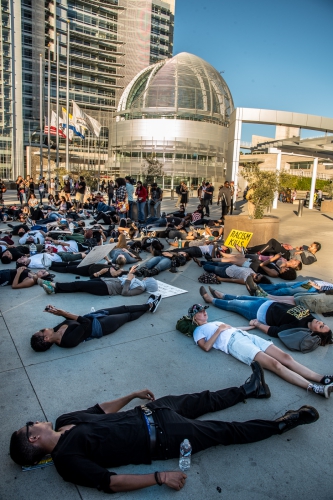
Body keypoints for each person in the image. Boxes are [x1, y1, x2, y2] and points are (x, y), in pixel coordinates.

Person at [9, 376, 321, 493]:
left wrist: (131, 395)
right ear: (33, 439)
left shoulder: (64, 420)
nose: (33, 421)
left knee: (202, 399)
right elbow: (110, 482)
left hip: (152, 411)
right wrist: (159, 478)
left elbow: (100, 409)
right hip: (167, 438)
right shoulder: (66, 460)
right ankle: (283, 424)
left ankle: (249, 389)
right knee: (227, 432)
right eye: (29, 426)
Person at [190, 301, 333, 398]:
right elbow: (206, 347)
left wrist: (253, 326)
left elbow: (233, 329)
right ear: (194, 318)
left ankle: (322, 378)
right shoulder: (198, 330)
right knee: (275, 364)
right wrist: (219, 330)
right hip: (233, 344)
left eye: (204, 310)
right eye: (200, 312)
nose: (204, 312)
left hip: (245, 335)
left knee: (286, 358)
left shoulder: (215, 322)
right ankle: (313, 388)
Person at [198, 288, 332, 347]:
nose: (320, 322)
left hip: (260, 312)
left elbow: (276, 331)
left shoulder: (298, 328)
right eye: (323, 323)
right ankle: (221, 295)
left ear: (314, 333)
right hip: (268, 303)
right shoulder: (310, 317)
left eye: (320, 326)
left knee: (233, 304)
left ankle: (211, 300)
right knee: (241, 297)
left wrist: (257, 324)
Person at [30, 299, 162, 351]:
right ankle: (149, 307)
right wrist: (64, 313)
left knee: (123, 307)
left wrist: (56, 311)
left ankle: (147, 305)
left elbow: (70, 319)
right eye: (42, 331)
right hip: (102, 326)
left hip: (94, 316)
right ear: (46, 338)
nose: (45, 328)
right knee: (127, 316)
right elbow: (85, 323)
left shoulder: (55, 330)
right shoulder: (68, 341)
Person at [38, 266, 159, 297]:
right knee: (80, 286)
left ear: (149, 283)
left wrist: (128, 280)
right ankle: (54, 289)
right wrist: (130, 272)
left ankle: (54, 285)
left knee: (79, 284)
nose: (146, 277)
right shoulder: (138, 282)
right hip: (106, 281)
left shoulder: (141, 288)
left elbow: (125, 293)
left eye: (149, 279)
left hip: (107, 289)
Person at [244, 239, 321, 266]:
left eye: (312, 246)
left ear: (315, 250)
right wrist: (295, 248)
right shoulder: (306, 249)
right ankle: (248, 250)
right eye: (310, 245)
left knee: (272, 242)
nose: (309, 246)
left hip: (287, 255)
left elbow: (306, 262)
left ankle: (257, 253)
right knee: (267, 246)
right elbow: (297, 250)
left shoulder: (313, 258)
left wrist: (301, 252)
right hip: (287, 251)